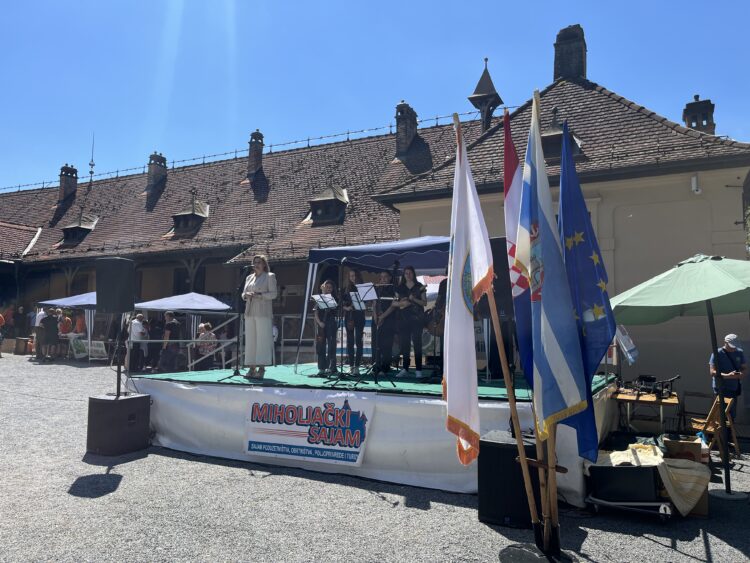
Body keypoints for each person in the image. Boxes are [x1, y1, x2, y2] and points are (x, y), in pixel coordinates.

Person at [242, 254, 278, 379]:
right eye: (255, 262)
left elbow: (274, 294)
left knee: (262, 340)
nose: (256, 264)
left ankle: (261, 369)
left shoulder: (269, 276)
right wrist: (246, 295)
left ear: (264, 265)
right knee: (250, 341)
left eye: (259, 262)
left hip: (263, 312)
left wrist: (260, 295)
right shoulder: (249, 277)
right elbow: (243, 294)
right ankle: (252, 368)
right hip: (249, 311)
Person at [395, 265, 428, 379]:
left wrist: (414, 299)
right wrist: (402, 302)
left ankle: (418, 369)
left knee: (417, 343)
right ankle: (405, 368)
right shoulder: (400, 287)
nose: (408, 275)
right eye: (406, 273)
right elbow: (395, 302)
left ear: (413, 274)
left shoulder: (420, 286)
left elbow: (424, 303)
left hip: (417, 319)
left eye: (410, 273)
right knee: (405, 344)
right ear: (403, 275)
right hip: (403, 319)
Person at [709, 333, 747, 420]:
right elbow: (712, 371)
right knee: (721, 413)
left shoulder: (739, 352)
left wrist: (742, 374)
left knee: (732, 413)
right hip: (720, 387)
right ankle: (721, 427)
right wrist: (727, 376)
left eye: (735, 346)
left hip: (734, 387)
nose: (733, 348)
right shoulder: (717, 353)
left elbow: (744, 368)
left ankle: (730, 428)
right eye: (731, 346)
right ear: (725, 342)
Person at [373, 270, 398, 378]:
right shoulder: (377, 289)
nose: (383, 279)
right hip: (377, 318)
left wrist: (383, 317)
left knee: (386, 345)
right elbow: (374, 303)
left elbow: (393, 306)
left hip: (389, 319)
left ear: (390, 278)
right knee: (376, 344)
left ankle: (385, 367)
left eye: (385, 277)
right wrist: (375, 317)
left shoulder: (393, 289)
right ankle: (376, 366)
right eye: (381, 277)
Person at [342, 269, 366, 375]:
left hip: (359, 316)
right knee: (350, 342)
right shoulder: (346, 289)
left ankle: (357, 367)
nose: (353, 278)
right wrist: (346, 308)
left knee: (358, 341)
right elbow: (341, 303)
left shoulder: (363, 288)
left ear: (358, 276)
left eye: (355, 275)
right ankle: (351, 366)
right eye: (351, 276)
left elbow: (366, 301)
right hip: (349, 317)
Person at [314, 279, 338, 376]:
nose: (328, 289)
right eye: (326, 287)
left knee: (331, 346)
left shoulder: (334, 298)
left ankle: (331, 367)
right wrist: (319, 322)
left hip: (331, 323)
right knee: (321, 346)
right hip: (321, 324)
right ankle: (321, 368)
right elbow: (315, 312)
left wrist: (325, 295)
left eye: (330, 287)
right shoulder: (319, 298)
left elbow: (334, 308)